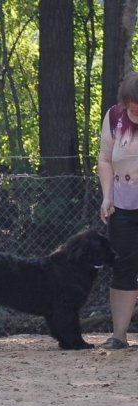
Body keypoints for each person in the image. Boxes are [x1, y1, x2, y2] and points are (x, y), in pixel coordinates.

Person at [98, 71, 138, 350]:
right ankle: (119, 335)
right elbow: (104, 159)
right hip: (122, 207)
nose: (134, 107)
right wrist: (107, 197)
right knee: (123, 268)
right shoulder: (114, 117)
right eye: (131, 102)